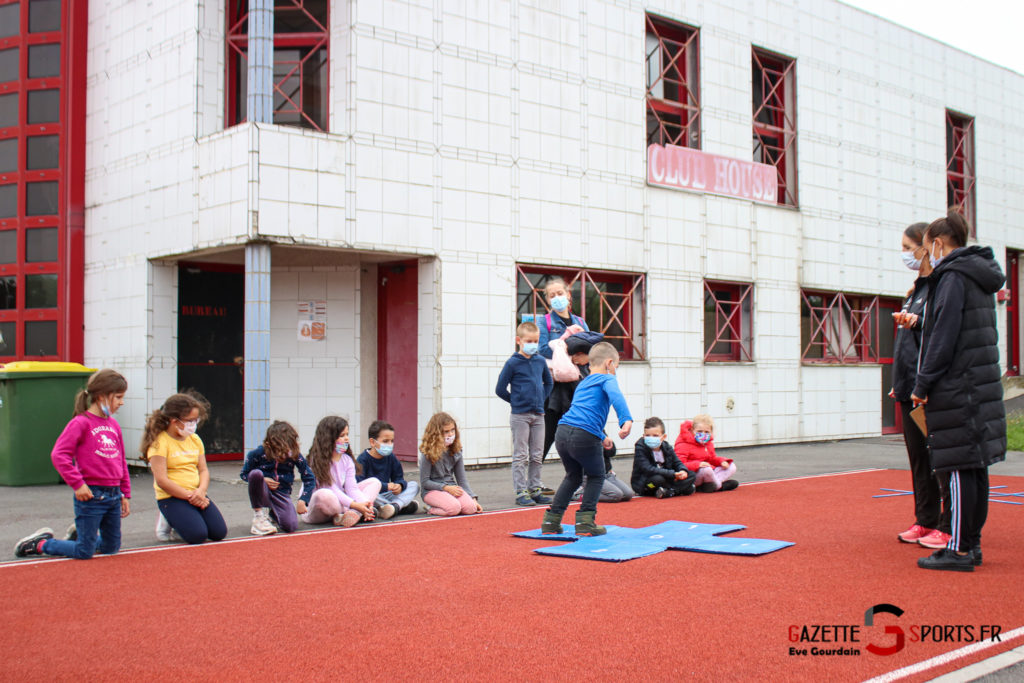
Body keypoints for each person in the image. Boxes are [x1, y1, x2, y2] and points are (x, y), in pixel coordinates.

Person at [912, 210, 1006, 572]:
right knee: (974, 466)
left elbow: (943, 337)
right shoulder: (980, 275)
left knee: (958, 467)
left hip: (959, 385)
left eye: (925, 248)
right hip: (977, 383)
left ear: (938, 243)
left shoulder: (952, 277)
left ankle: (960, 549)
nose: (925, 256)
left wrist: (923, 384)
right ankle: (970, 544)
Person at [14, 369, 131, 559]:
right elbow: (59, 454)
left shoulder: (113, 425)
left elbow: (121, 460)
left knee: (111, 547)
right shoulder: (81, 423)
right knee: (84, 552)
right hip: (91, 494)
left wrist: (125, 493)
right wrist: (78, 484)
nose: (121, 402)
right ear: (101, 396)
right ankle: (41, 544)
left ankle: (81, 538)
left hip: (113, 494)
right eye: (118, 397)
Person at [890, 222, 952, 549]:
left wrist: (919, 322)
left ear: (925, 247)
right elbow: (906, 343)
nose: (904, 254)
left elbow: (940, 334)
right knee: (918, 460)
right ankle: (924, 520)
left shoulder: (941, 287)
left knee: (939, 459)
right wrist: (898, 383)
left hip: (929, 389)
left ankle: (947, 523)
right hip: (909, 387)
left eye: (907, 247)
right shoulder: (915, 290)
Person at [541, 342, 633, 536]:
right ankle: (585, 522)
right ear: (609, 363)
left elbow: (580, 412)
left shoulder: (584, 382)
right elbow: (617, 397)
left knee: (573, 476)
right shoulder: (607, 379)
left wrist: (601, 436)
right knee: (596, 475)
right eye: (616, 366)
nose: (616, 370)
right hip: (583, 435)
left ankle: (551, 521)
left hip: (563, 432)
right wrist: (626, 420)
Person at [141, 392, 228, 545]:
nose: (193, 424)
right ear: (174, 421)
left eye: (196, 420)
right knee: (197, 535)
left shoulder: (195, 439)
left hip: (196, 494)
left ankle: (185, 516)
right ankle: (169, 519)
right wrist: (190, 497)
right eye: (190, 421)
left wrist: (201, 491)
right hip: (172, 496)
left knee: (218, 532)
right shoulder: (160, 443)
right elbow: (161, 480)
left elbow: (203, 470)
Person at [537, 276, 591, 492]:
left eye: (560, 293)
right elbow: (541, 349)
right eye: (552, 295)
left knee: (577, 431)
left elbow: (590, 347)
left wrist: (585, 357)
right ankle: (533, 482)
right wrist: (567, 353)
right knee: (547, 434)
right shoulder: (544, 322)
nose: (557, 298)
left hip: (578, 385)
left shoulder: (581, 322)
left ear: (568, 295)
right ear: (548, 300)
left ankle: (580, 479)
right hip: (554, 386)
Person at [496, 320, 554, 506]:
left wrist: (541, 399)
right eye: (529, 341)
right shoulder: (513, 363)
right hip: (520, 415)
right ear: (519, 341)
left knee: (537, 454)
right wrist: (516, 401)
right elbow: (500, 388)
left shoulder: (539, 361)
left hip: (538, 415)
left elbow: (549, 383)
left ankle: (535, 488)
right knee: (521, 455)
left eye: (536, 341)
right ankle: (521, 491)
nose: (533, 345)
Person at [302, 416, 390, 527]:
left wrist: (366, 504)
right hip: (320, 508)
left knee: (374, 482)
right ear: (329, 438)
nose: (347, 439)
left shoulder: (347, 460)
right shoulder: (316, 461)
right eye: (342, 436)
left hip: (342, 503)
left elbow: (351, 488)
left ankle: (352, 514)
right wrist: (356, 505)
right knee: (325, 495)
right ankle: (352, 512)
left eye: (347, 434)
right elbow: (331, 488)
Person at [239, 420, 316, 535]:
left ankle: (273, 515)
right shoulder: (257, 454)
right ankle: (259, 517)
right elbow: (244, 474)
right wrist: (263, 479)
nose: (285, 452)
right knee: (255, 474)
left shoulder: (293, 455)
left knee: (291, 526)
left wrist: (303, 500)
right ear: (270, 444)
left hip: (281, 493)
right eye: (281, 448)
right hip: (263, 490)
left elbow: (309, 477)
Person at [418, 412, 483, 516]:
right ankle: (430, 508)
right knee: (454, 509)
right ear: (436, 434)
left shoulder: (456, 450)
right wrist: (445, 488)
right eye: (446, 432)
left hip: (452, 488)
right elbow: (425, 482)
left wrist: (473, 498)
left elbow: (462, 479)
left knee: (471, 508)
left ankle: (449, 503)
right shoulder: (428, 452)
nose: (450, 434)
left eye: (452, 430)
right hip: (431, 491)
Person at [356, 420, 420, 515]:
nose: (390, 444)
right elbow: (359, 485)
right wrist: (386, 486)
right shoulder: (362, 459)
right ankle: (399, 506)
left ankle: (392, 507)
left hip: (387, 494)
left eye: (392, 441)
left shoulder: (391, 457)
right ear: (372, 442)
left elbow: (399, 478)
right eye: (385, 441)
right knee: (365, 495)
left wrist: (400, 486)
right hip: (373, 495)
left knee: (414, 485)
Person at [631, 417, 696, 498]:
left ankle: (669, 491)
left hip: (667, 478)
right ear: (644, 436)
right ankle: (679, 490)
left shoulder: (667, 447)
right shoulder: (640, 447)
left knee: (692, 475)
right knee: (658, 480)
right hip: (647, 484)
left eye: (655, 436)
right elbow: (647, 469)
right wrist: (673, 474)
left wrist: (683, 471)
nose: (651, 438)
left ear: (663, 436)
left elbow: (677, 462)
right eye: (648, 435)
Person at [674, 414, 738, 492]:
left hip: (709, 472)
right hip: (693, 475)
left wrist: (722, 461)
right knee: (706, 470)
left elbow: (712, 458)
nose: (703, 434)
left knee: (731, 466)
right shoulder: (683, 443)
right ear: (692, 430)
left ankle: (710, 486)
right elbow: (679, 465)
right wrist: (698, 465)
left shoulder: (708, 443)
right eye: (699, 431)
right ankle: (719, 486)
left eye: (707, 432)